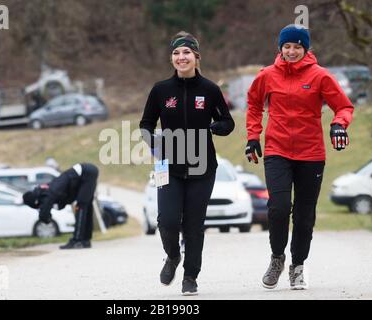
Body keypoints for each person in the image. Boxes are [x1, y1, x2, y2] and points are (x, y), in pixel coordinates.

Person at [245, 24, 354, 290]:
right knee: (279, 207)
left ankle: (298, 266)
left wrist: (339, 124)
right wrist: (252, 137)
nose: (291, 51)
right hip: (277, 150)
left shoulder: (320, 76)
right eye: (287, 46)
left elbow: (343, 106)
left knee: (304, 215)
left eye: (297, 46)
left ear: (306, 49)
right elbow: (254, 105)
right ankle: (277, 258)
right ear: (280, 48)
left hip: (311, 152)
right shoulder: (267, 75)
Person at [139, 31, 235, 295]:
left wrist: (215, 128)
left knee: (193, 225)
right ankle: (172, 256)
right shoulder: (160, 90)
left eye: (186, 53)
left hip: (203, 167)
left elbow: (228, 122)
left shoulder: (210, 90)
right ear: (172, 58)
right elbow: (146, 124)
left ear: (196, 57)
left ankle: (190, 276)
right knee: (167, 221)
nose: (181, 57)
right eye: (176, 53)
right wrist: (154, 145)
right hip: (167, 166)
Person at [23, 163, 99, 249]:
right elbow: (59, 203)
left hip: (85, 172)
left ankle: (77, 240)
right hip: (86, 171)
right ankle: (85, 240)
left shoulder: (48, 194)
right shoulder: (44, 191)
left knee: (80, 206)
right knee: (86, 206)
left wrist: (46, 218)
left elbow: (44, 214)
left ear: (35, 202)